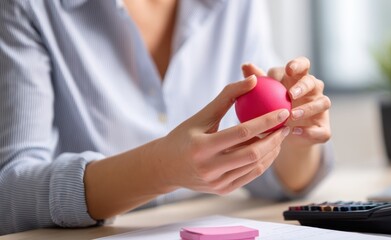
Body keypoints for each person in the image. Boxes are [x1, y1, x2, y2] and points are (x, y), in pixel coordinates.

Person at [0, 0, 332, 235]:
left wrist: (296, 131)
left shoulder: (235, 4)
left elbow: (277, 180)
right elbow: (10, 194)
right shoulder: (29, 7)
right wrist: (162, 169)